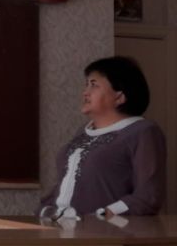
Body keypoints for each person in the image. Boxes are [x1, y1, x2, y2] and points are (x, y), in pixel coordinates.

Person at [39, 56, 166, 218]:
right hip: (61, 227)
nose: (85, 92)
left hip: (106, 231)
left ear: (119, 97)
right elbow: (67, 183)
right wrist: (46, 210)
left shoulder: (143, 131)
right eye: (86, 85)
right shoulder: (83, 132)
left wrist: (102, 216)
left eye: (94, 85)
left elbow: (148, 196)